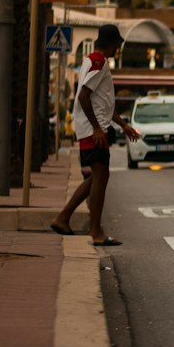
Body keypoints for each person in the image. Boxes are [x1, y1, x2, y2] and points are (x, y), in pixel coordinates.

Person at [51, 24, 139, 247]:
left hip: (94, 128)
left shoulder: (91, 61)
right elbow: (84, 96)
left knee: (95, 178)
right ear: (112, 44)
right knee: (101, 177)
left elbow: (103, 104)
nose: (118, 50)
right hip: (94, 131)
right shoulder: (99, 63)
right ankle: (95, 232)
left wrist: (123, 125)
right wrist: (97, 128)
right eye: (117, 45)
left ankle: (63, 218)